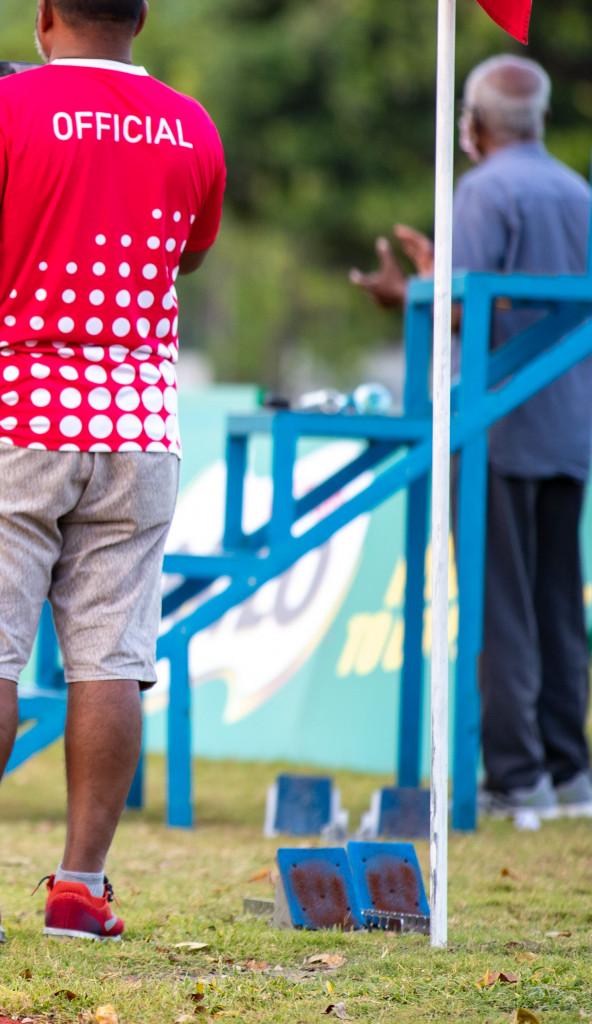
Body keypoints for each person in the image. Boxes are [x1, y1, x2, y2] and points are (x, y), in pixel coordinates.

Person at [0, 0, 225, 947]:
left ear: (43, 16)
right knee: (113, 659)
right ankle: (81, 888)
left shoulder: (3, 109)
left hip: (12, 417)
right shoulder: (192, 124)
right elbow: (186, 255)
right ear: (142, 17)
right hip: (139, 425)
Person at [352, 54, 592, 820]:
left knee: (502, 603)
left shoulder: (483, 189)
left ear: (477, 124)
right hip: (568, 420)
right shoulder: (578, 192)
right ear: (541, 119)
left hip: (495, 421)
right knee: (558, 600)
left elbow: (472, 309)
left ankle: (514, 777)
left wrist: (414, 292)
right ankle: (568, 769)